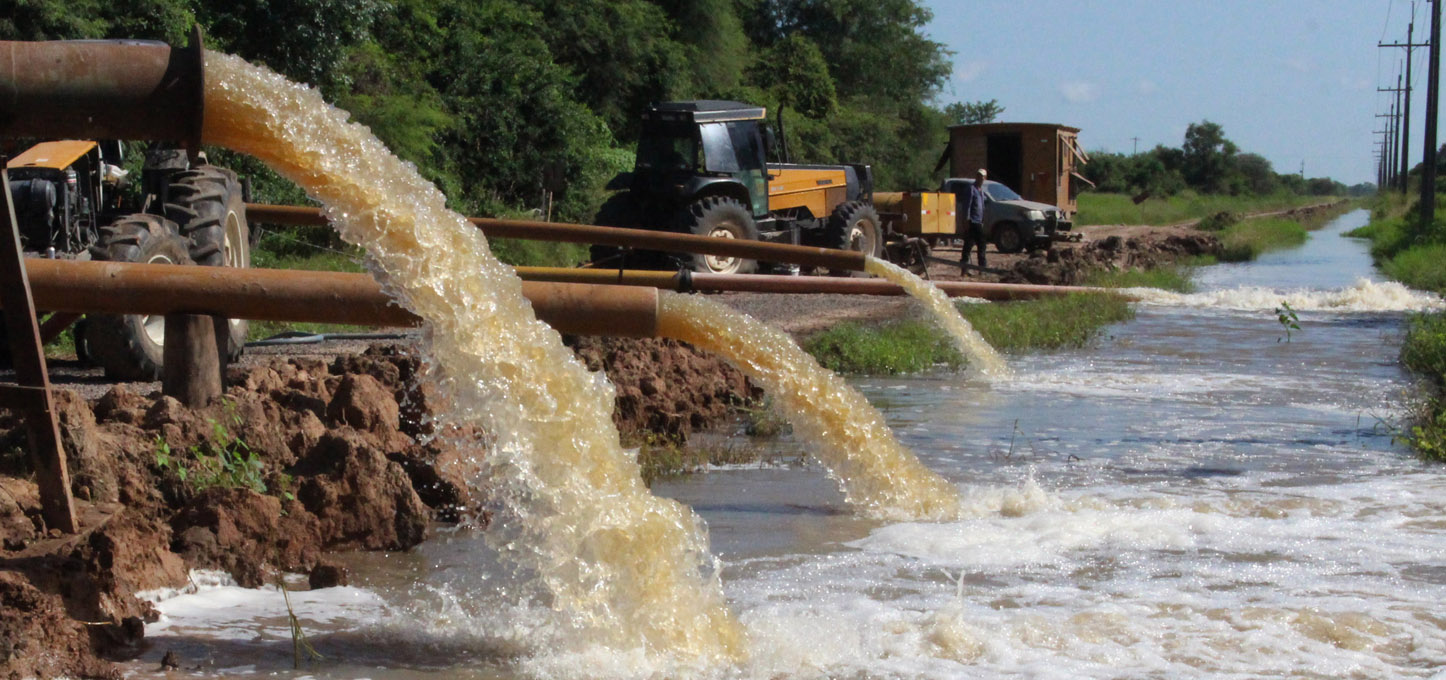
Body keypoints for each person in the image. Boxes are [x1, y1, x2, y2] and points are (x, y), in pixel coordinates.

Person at [959, 169, 989, 274]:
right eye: (979, 176)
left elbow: (982, 207)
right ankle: (981, 268)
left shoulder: (981, 191)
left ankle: (966, 267)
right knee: (981, 243)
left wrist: (983, 220)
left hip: (978, 221)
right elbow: (967, 206)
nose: (981, 178)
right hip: (972, 221)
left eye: (983, 176)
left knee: (969, 244)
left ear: (985, 178)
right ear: (976, 177)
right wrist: (966, 220)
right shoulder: (971, 189)